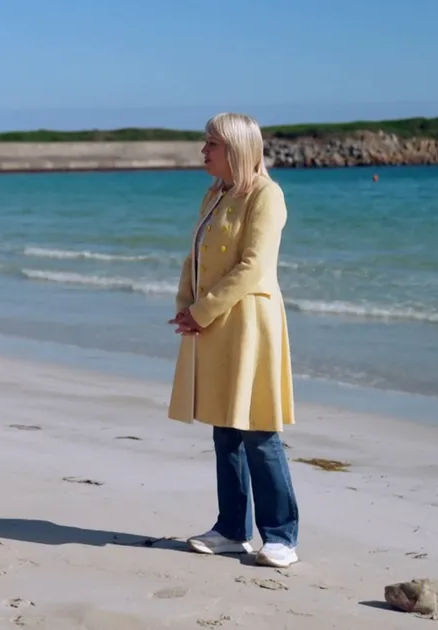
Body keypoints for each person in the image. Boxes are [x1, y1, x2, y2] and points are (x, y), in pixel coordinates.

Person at [167, 112, 300, 569]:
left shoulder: (266, 195)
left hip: (248, 324)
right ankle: (231, 530)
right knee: (225, 429)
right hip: (215, 324)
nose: (204, 151)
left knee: (259, 429)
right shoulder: (215, 194)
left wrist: (202, 310)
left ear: (237, 149)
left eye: (212, 144)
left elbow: (253, 267)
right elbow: (196, 255)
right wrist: (187, 305)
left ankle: (281, 535)